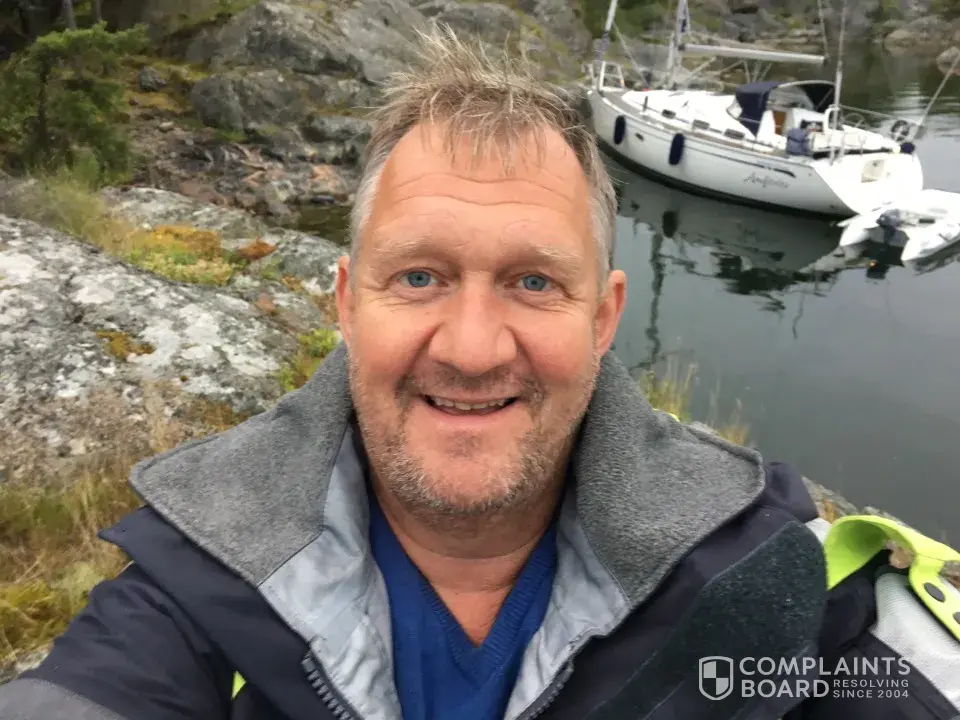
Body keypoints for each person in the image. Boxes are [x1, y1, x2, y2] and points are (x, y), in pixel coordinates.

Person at [2, 25, 959, 720]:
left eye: (533, 282)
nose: (471, 348)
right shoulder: (200, 577)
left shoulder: (777, 581)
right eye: (419, 277)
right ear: (347, 304)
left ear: (603, 318)